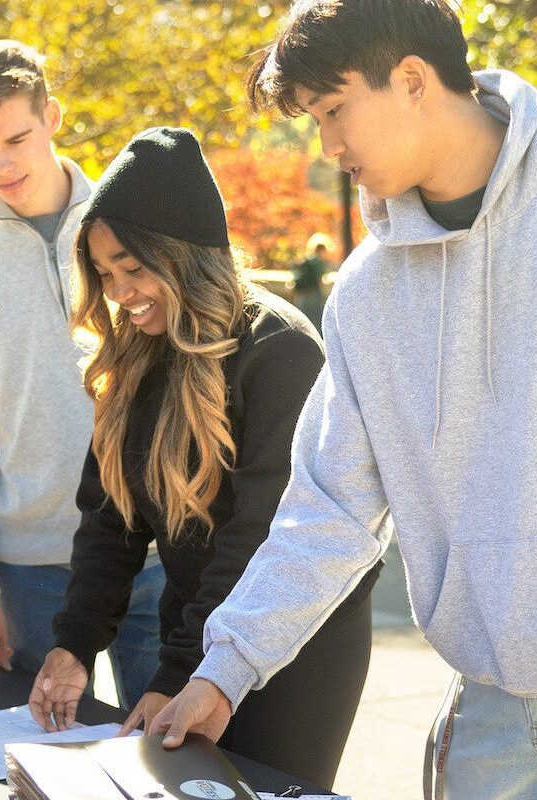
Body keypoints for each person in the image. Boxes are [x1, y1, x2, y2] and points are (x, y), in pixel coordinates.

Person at [154, 3, 537, 798]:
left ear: (411, 80)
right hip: (491, 702)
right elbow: (329, 508)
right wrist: (225, 669)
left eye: (334, 111)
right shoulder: (368, 290)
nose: (328, 146)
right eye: (313, 121)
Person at [27, 128, 376, 787]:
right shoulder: (134, 356)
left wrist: (179, 672)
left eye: (134, 268)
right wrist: (74, 644)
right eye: (105, 275)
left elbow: (258, 535)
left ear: (184, 252)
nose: (121, 292)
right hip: (198, 632)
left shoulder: (279, 348)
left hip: (295, 643)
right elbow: (109, 520)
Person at [0, 39, 163, 701]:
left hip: (159, 550)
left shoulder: (139, 226)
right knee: (49, 772)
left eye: (16, 139)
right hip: (32, 572)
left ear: (52, 116)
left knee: (173, 767)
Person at [291, 233, 336, 328]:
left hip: (303, 298)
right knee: (317, 324)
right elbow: (321, 281)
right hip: (314, 297)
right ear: (322, 249)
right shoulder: (318, 262)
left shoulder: (306, 260)